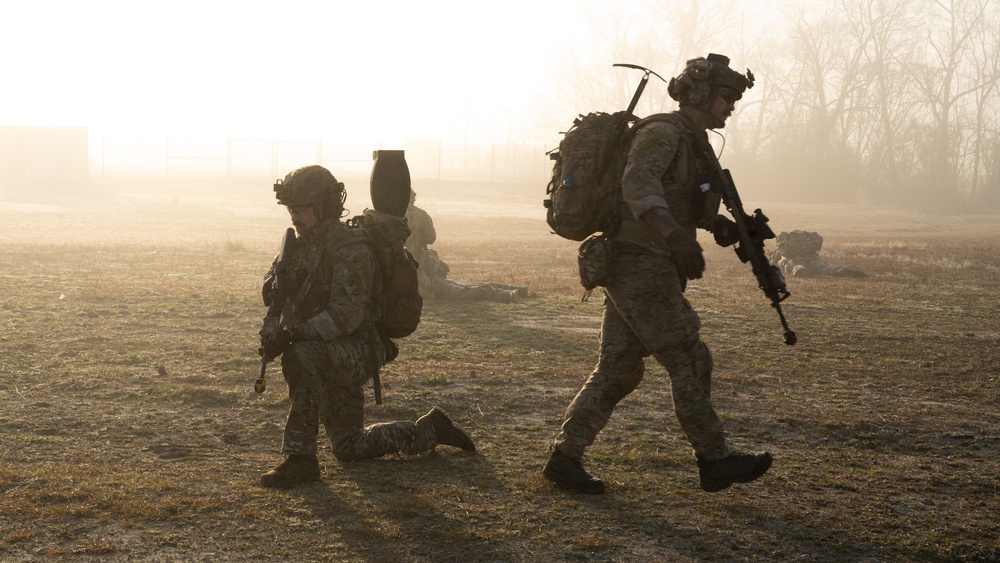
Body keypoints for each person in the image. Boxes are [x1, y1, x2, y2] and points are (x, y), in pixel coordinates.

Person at [543, 54, 773, 494]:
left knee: (618, 369)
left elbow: (679, 195)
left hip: (648, 259)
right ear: (702, 94)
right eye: (726, 97)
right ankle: (714, 460)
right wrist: (674, 237)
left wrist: (716, 226)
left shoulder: (694, 140)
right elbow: (639, 187)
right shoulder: (663, 132)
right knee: (688, 356)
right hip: (638, 260)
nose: (731, 107)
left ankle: (564, 458)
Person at [258, 165, 476, 489]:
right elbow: (271, 287)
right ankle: (429, 430)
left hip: (356, 349)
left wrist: (291, 335)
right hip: (327, 349)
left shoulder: (349, 247)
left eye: (302, 209)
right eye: (291, 209)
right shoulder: (299, 244)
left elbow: (345, 315)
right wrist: (277, 289)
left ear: (324, 206)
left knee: (299, 356)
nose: (295, 216)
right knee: (350, 447)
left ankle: (300, 460)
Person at [405, 188, 528, 303]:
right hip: (422, 270)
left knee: (460, 292)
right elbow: (431, 237)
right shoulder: (419, 215)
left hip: (421, 275)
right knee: (462, 289)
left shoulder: (394, 217)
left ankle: (506, 294)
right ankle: (511, 291)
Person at [769, 230, 866, 278]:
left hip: (795, 259)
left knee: (795, 265)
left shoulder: (781, 250)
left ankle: (800, 270)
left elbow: (772, 264)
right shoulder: (807, 240)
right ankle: (842, 270)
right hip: (812, 257)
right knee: (824, 267)